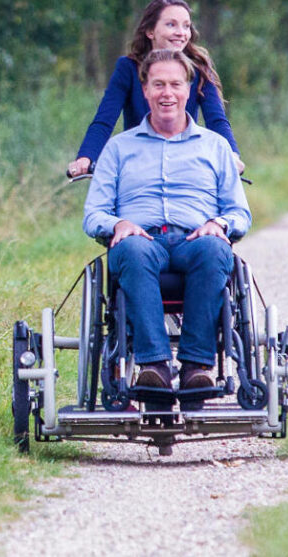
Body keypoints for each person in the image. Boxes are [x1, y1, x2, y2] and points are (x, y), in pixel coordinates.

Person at [82, 48, 251, 391]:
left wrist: (219, 224)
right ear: (144, 90)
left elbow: (239, 212)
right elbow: (94, 213)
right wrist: (117, 225)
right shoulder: (118, 148)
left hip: (196, 241)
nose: (167, 93)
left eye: (176, 84)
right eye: (158, 84)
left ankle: (196, 367)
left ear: (189, 90)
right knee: (132, 250)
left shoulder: (215, 147)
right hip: (142, 243)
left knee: (215, 249)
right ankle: (154, 366)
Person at [67, 0, 244, 178]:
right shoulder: (128, 68)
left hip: (185, 165)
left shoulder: (199, 70)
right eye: (171, 25)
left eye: (186, 26)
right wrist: (86, 158)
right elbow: (105, 119)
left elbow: (216, 120)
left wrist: (232, 154)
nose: (181, 32)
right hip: (138, 167)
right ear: (150, 31)